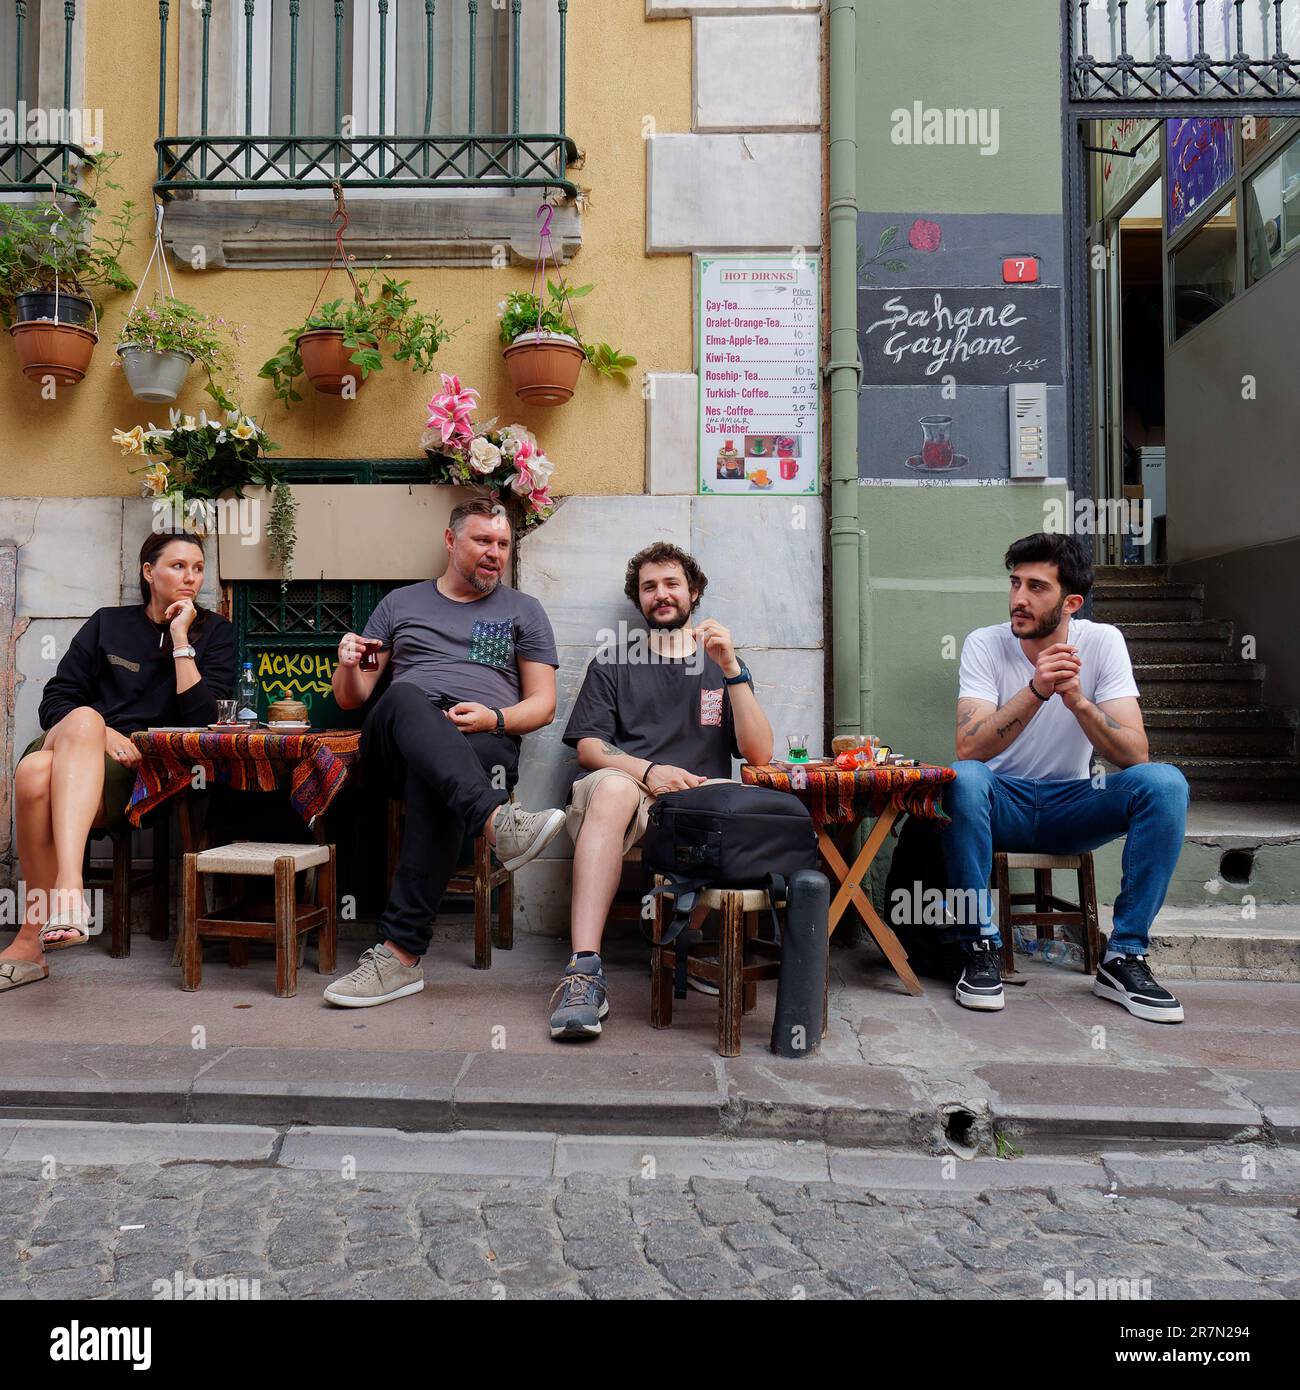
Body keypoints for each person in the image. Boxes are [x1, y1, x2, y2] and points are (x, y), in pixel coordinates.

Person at [325, 494, 566, 1008]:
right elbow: (354, 698)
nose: (494, 553)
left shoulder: (524, 610)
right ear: (451, 540)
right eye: (482, 540)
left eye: (502, 544)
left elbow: (543, 705)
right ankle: (497, 821)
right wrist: (346, 663)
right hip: (398, 738)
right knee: (406, 696)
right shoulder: (400, 603)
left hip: (482, 740)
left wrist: (494, 717)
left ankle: (399, 956)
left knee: (436, 782)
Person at [942, 532, 1189, 1022]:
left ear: (1072, 602)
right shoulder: (985, 644)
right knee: (963, 777)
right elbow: (969, 747)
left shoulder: (1103, 642)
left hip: (1075, 802)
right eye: (1015, 584)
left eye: (1037, 587)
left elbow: (1134, 753)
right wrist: (1036, 689)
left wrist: (1077, 700)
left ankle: (1124, 957)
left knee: (1165, 784)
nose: (1018, 599)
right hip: (1001, 804)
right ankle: (980, 950)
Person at [547, 541, 774, 1039]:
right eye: (649, 587)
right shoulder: (613, 663)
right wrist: (648, 772)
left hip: (693, 797)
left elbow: (758, 756)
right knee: (612, 790)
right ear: (638, 600)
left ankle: (679, 949)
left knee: (721, 802)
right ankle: (584, 971)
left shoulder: (721, 664)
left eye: (672, 583)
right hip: (628, 787)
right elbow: (589, 746)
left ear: (693, 592)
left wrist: (734, 670)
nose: (661, 594)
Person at [2, 531, 237, 992]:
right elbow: (56, 701)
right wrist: (100, 733)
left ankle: (30, 940)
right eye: (177, 566)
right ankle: (70, 889)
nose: (190, 577)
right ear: (149, 573)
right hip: (82, 742)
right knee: (85, 717)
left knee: (31, 772)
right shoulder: (107, 624)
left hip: (137, 768)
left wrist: (180, 638)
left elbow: (203, 722)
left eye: (197, 568)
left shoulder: (215, 633)